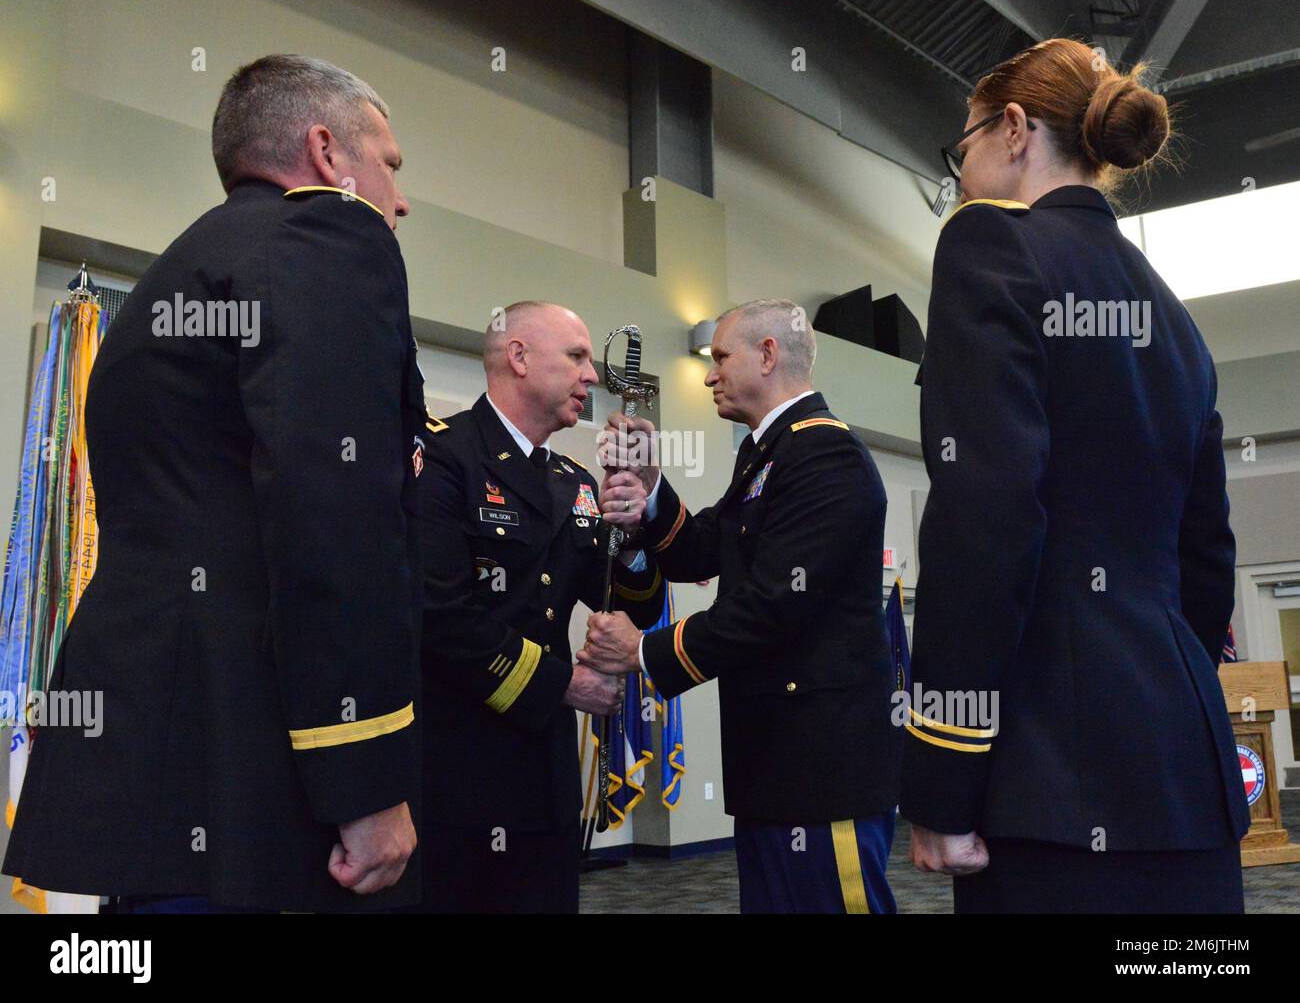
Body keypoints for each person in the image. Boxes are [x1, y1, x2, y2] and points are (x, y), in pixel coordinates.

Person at [3, 54, 424, 913]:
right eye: (391, 162)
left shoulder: (175, 276)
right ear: (327, 151)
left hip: (156, 759)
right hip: (256, 766)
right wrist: (364, 779)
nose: (401, 197)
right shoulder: (327, 239)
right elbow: (332, 516)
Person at [901, 37, 1248, 913]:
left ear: (1013, 128)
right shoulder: (1171, 314)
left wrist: (943, 770)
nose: (962, 172)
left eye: (963, 146)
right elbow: (1206, 554)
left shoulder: (989, 246)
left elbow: (987, 518)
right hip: (1183, 770)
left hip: (1050, 776)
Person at [582, 299, 900, 913]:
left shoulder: (823, 454)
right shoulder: (767, 451)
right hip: (776, 766)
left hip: (820, 770)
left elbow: (774, 606)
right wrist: (650, 488)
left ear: (768, 354)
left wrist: (643, 650)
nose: (708, 374)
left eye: (721, 356)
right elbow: (702, 550)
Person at [412, 301, 664, 913]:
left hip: (544, 763)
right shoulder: (442, 456)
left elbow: (633, 601)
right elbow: (437, 616)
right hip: (457, 761)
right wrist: (563, 685)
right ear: (519, 357)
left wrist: (632, 533)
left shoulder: (575, 481)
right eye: (576, 357)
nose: (592, 376)